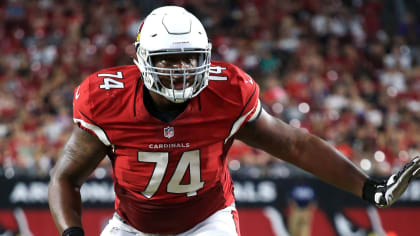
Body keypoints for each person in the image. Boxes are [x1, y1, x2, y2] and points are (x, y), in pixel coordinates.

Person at [48, 6, 420, 236]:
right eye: (168, 60)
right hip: (131, 227)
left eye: (190, 58)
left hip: (206, 223)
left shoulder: (226, 92)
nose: (181, 70)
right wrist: (72, 233)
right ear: (142, 58)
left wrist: (368, 188)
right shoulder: (107, 98)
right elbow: (66, 177)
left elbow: (293, 144)